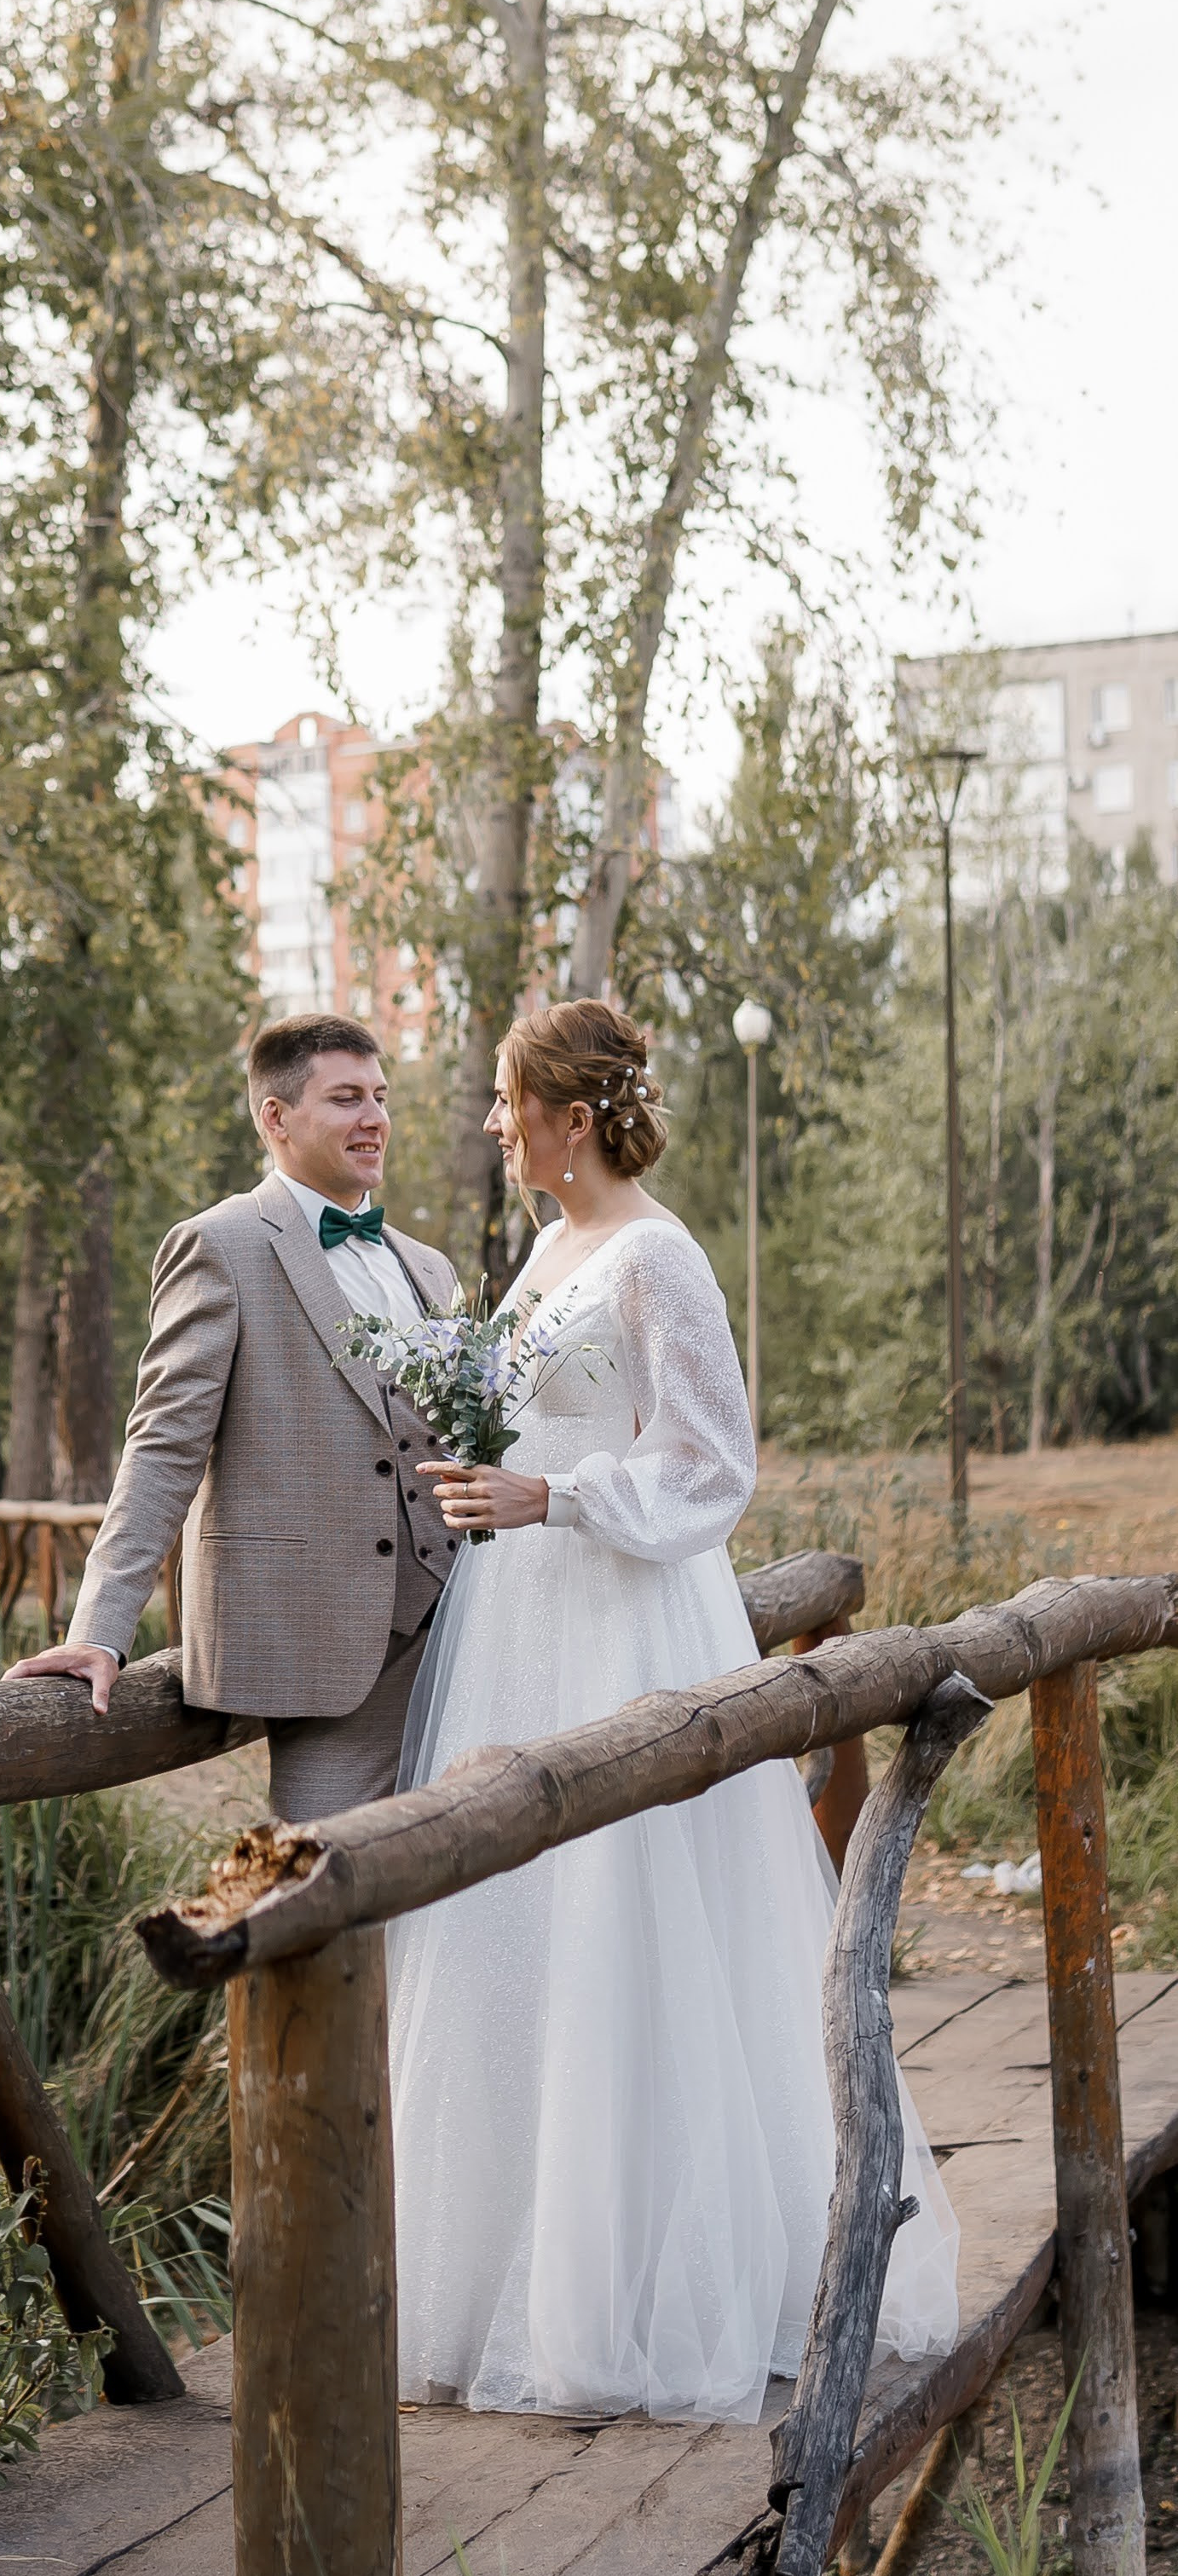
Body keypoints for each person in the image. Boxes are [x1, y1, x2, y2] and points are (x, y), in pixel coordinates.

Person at [390, 996, 958, 2423]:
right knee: (518, 1929)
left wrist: (556, 1496)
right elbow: (540, 1416)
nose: (488, 1121)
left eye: (505, 1101)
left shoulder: (657, 1257)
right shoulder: (546, 1251)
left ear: (569, 1119)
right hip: (521, 1621)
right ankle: (513, 2267)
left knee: (628, 1926)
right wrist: (472, 1459)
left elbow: (713, 1468)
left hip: (626, 1619)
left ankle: (651, 2291)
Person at [3, 1014, 462, 1820]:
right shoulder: (218, 1246)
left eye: (381, 1097)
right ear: (274, 1118)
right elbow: (163, 1444)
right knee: (325, 1891)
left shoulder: (428, 1266)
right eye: (346, 1098)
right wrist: (101, 1629)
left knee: (467, 1867)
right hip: (319, 1635)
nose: (374, 1119)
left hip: (458, 1625)